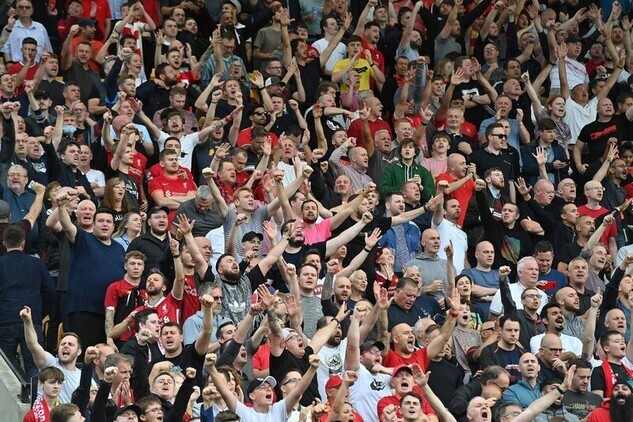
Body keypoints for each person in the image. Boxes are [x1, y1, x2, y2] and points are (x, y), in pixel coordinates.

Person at [0, 225, 54, 377]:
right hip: (31, 320)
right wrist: (42, 314)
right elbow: (49, 290)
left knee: (5, 369)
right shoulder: (36, 264)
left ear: (4, 243)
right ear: (23, 243)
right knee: (34, 366)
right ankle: (34, 400)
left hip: (4, 321)